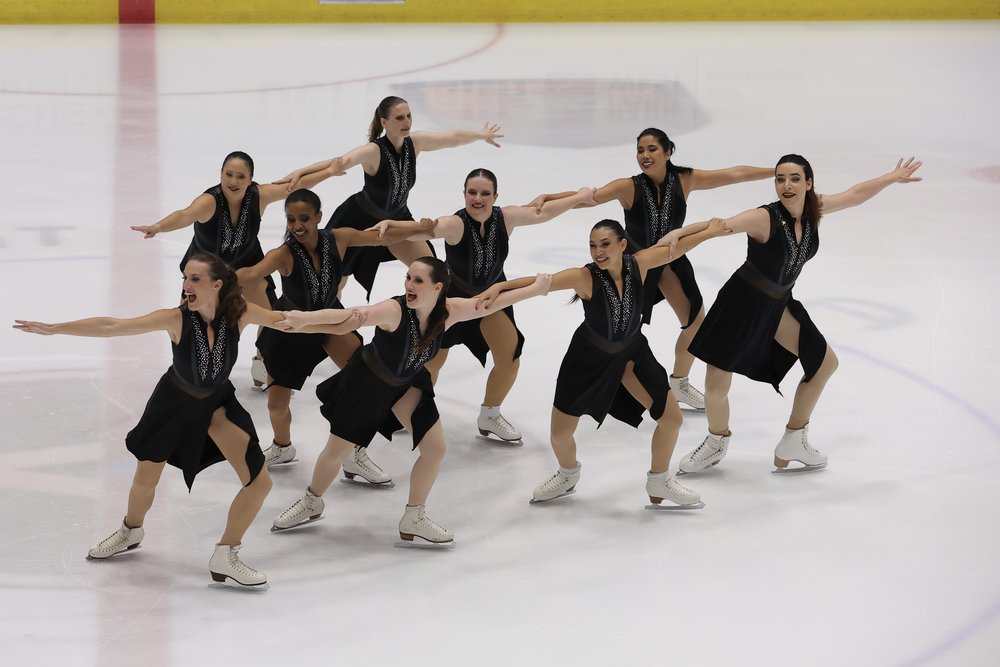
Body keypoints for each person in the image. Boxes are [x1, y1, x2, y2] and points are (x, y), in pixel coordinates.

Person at [13, 252, 297, 587]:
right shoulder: (175, 319)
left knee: (259, 482)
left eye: (195, 279)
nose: (186, 285)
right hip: (173, 405)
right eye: (184, 279)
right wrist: (57, 329)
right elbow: (114, 326)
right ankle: (130, 531)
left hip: (217, 405)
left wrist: (351, 319)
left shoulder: (240, 313)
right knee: (147, 478)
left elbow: (286, 320)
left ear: (216, 284)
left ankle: (226, 553)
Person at [659, 156, 923, 474]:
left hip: (778, 304)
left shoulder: (814, 210)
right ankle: (716, 441)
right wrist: (678, 233)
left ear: (808, 183)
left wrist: (891, 177)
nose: (787, 185)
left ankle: (794, 440)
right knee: (716, 384)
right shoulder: (763, 217)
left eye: (795, 178)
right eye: (781, 179)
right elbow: (721, 225)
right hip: (741, 302)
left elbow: (855, 195)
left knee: (825, 363)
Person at [270, 257, 549, 544]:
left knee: (435, 449)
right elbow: (354, 317)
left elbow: (486, 304)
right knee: (335, 452)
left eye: (418, 280)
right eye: (407, 278)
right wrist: (304, 320)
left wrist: (536, 289)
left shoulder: (448, 312)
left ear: (438, 287)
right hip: (367, 384)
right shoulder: (394, 310)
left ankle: (414, 516)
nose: (409, 286)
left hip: (408, 383)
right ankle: (312, 500)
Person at [477, 218, 723, 508]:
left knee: (671, 420)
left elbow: (677, 248)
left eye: (605, 244)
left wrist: (711, 230)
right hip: (588, 359)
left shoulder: (640, 264)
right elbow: (541, 282)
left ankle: (659, 481)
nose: (598, 252)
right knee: (560, 433)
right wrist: (501, 287)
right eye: (593, 246)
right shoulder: (584, 277)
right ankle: (568, 474)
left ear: (622, 244)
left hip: (632, 353)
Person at [527, 128, 773, 410]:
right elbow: (588, 197)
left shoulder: (686, 179)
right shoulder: (628, 186)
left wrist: (774, 171)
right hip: (634, 267)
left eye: (652, 149)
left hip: (672, 260)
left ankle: (679, 382)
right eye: (640, 150)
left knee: (696, 326)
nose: (645, 155)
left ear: (668, 152)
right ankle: (602, 385)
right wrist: (550, 196)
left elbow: (734, 174)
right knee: (618, 332)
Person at [370, 169, 595, 442]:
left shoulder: (506, 217)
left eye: (485, 193)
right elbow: (424, 229)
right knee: (431, 361)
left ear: (495, 196)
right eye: (472, 192)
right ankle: (411, 411)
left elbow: (542, 213)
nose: (478, 198)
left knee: (509, 358)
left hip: (493, 298)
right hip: (454, 300)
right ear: (464, 193)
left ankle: (489, 414)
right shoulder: (455, 223)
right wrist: (390, 225)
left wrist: (578, 197)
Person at [236, 189, 433, 480]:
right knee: (277, 405)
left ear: (319, 217)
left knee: (363, 383)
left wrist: (423, 228)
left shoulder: (338, 238)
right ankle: (282, 445)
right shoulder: (283, 254)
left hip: (331, 322)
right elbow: (250, 274)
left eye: (304, 218)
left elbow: (384, 238)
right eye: (291, 220)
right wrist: (210, 279)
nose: (298, 226)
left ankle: (355, 453)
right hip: (291, 328)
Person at [129, 150, 337, 387]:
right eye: (228, 174)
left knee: (270, 314)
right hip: (205, 275)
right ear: (220, 175)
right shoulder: (209, 202)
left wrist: (330, 170)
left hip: (248, 267)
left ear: (250, 180)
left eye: (240, 176)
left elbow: (294, 186)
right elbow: (185, 215)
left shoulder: (259, 196)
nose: (233, 182)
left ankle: (262, 358)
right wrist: (158, 226)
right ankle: (187, 373)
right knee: (189, 323)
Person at [276, 96, 503, 301]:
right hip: (357, 219)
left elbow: (451, 137)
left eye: (409, 116)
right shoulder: (373, 151)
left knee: (433, 272)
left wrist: (480, 135)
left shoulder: (415, 143)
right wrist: (300, 172)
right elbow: (337, 162)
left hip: (397, 218)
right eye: (399, 118)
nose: (406, 122)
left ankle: (429, 330)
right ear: (384, 122)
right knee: (334, 282)